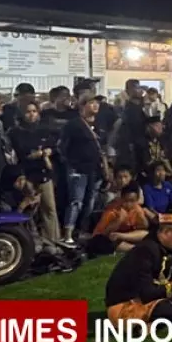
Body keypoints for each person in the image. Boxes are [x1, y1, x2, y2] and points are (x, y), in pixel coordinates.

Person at [59, 94, 108, 244]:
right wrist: (71, 164)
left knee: (90, 203)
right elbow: (62, 147)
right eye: (92, 103)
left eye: (97, 103)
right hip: (78, 169)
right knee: (76, 202)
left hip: (95, 170)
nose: (96, 106)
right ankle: (68, 232)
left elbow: (102, 148)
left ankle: (82, 231)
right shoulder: (74, 125)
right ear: (83, 105)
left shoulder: (99, 125)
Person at [8, 101, 60, 242]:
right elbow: (16, 155)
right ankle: (28, 240)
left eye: (34, 111)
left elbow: (54, 147)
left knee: (49, 209)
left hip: (44, 173)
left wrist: (49, 151)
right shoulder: (15, 132)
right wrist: (31, 156)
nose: (31, 115)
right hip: (27, 175)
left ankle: (53, 240)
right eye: (28, 111)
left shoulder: (45, 129)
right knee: (28, 210)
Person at [88, 182, 150, 255]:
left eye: (132, 201)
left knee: (146, 234)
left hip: (125, 236)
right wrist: (118, 220)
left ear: (137, 200)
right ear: (121, 198)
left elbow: (144, 227)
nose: (129, 204)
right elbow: (101, 234)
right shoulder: (112, 211)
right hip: (109, 238)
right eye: (126, 201)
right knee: (111, 240)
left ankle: (135, 248)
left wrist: (142, 217)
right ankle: (135, 249)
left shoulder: (137, 209)